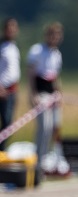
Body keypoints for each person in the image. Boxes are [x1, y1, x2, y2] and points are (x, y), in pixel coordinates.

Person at [27, 22, 64, 170]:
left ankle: (50, 157)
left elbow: (55, 76)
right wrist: (33, 93)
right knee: (45, 126)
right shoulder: (37, 50)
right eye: (52, 35)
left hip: (52, 92)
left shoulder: (56, 54)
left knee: (55, 126)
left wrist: (59, 93)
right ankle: (38, 159)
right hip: (40, 91)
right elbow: (31, 73)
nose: (54, 38)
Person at [0, 18, 20, 151]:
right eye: (9, 27)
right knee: (5, 121)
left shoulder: (14, 47)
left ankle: (2, 150)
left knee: (9, 124)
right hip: (3, 89)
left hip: (13, 90)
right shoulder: (1, 46)